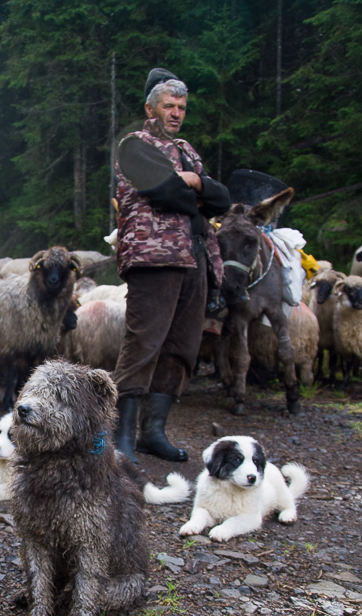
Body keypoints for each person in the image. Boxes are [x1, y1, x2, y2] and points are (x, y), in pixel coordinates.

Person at [111, 68, 230, 463]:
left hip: (196, 258)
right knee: (144, 342)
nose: (176, 113)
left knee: (182, 346)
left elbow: (221, 199)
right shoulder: (134, 146)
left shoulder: (188, 151)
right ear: (150, 107)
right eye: (168, 106)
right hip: (154, 257)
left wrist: (195, 183)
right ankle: (120, 435)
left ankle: (153, 432)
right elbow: (163, 193)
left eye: (181, 107)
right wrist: (191, 190)